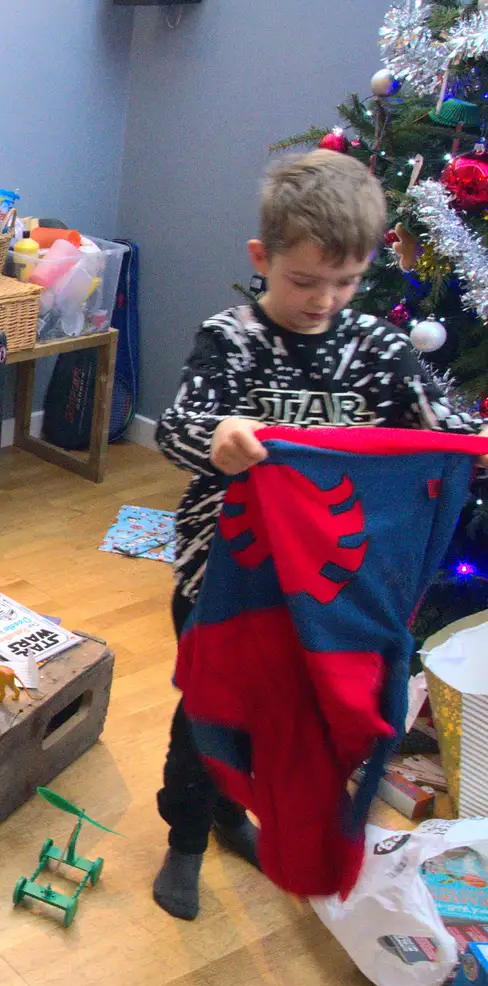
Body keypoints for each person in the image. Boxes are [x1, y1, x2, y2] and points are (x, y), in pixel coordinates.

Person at [152, 149, 481, 920]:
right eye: (303, 280)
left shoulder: (376, 349)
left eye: (345, 282)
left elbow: (443, 431)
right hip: (222, 576)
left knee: (283, 714)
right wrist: (221, 436)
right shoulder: (228, 339)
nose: (322, 300)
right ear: (261, 259)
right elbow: (175, 428)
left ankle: (238, 807)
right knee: (210, 710)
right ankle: (189, 835)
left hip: (324, 587)